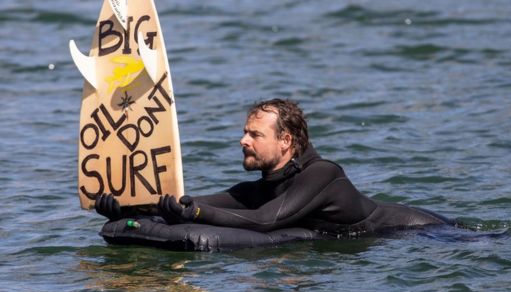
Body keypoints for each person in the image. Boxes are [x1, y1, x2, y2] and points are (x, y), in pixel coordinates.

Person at [95, 98, 454, 237]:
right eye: (243, 132)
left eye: (254, 134)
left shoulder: (323, 174)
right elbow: (189, 201)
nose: (242, 141)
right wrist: (129, 206)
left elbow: (266, 220)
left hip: (424, 234)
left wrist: (198, 214)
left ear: (286, 142)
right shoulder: (265, 185)